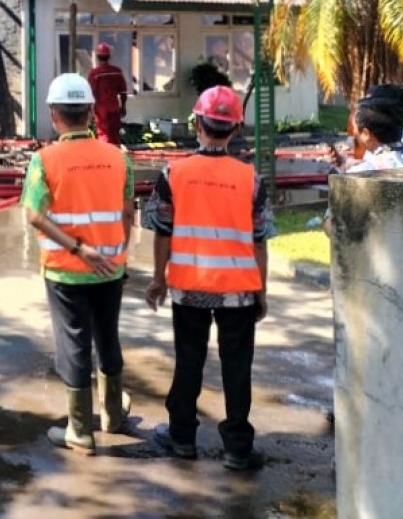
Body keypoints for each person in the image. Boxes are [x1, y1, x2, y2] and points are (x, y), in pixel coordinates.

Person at [142, 85, 274, 472]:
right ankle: (237, 448)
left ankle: (182, 437)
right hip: (237, 294)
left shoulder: (173, 174)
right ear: (235, 130)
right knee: (237, 366)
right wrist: (261, 293)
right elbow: (260, 242)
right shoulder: (251, 180)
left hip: (189, 289)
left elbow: (161, 231)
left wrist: (158, 279)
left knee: (189, 361)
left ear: (197, 123)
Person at [22, 73, 135, 455]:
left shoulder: (43, 161)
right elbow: (126, 211)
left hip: (66, 270)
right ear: (90, 112)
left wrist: (78, 248)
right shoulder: (119, 158)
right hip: (111, 267)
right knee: (107, 336)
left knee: (74, 342)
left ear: (54, 115)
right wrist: (117, 254)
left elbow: (34, 216)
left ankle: (80, 432)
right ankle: (115, 416)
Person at [324, 84, 403, 235]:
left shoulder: (358, 175)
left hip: (379, 254)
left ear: (366, 133)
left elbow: (333, 227)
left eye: (357, 130)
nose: (355, 134)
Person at [87, 42, 128, 146]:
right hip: (114, 107)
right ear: (109, 56)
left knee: (103, 133)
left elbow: (91, 93)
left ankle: (105, 156)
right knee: (114, 134)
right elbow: (123, 91)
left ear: (97, 56)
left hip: (101, 109)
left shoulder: (94, 73)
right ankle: (116, 157)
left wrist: (90, 109)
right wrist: (123, 106)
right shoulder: (117, 71)